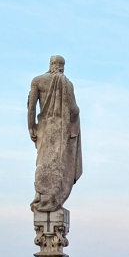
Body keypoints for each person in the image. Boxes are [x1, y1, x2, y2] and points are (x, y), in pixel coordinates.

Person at [28, 55, 82, 212]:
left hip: (44, 129)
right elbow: (73, 109)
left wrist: (31, 127)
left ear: (50, 64)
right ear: (62, 66)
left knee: (43, 161)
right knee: (57, 163)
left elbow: (31, 108)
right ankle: (52, 197)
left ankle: (41, 195)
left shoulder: (38, 81)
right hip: (60, 129)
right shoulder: (67, 84)